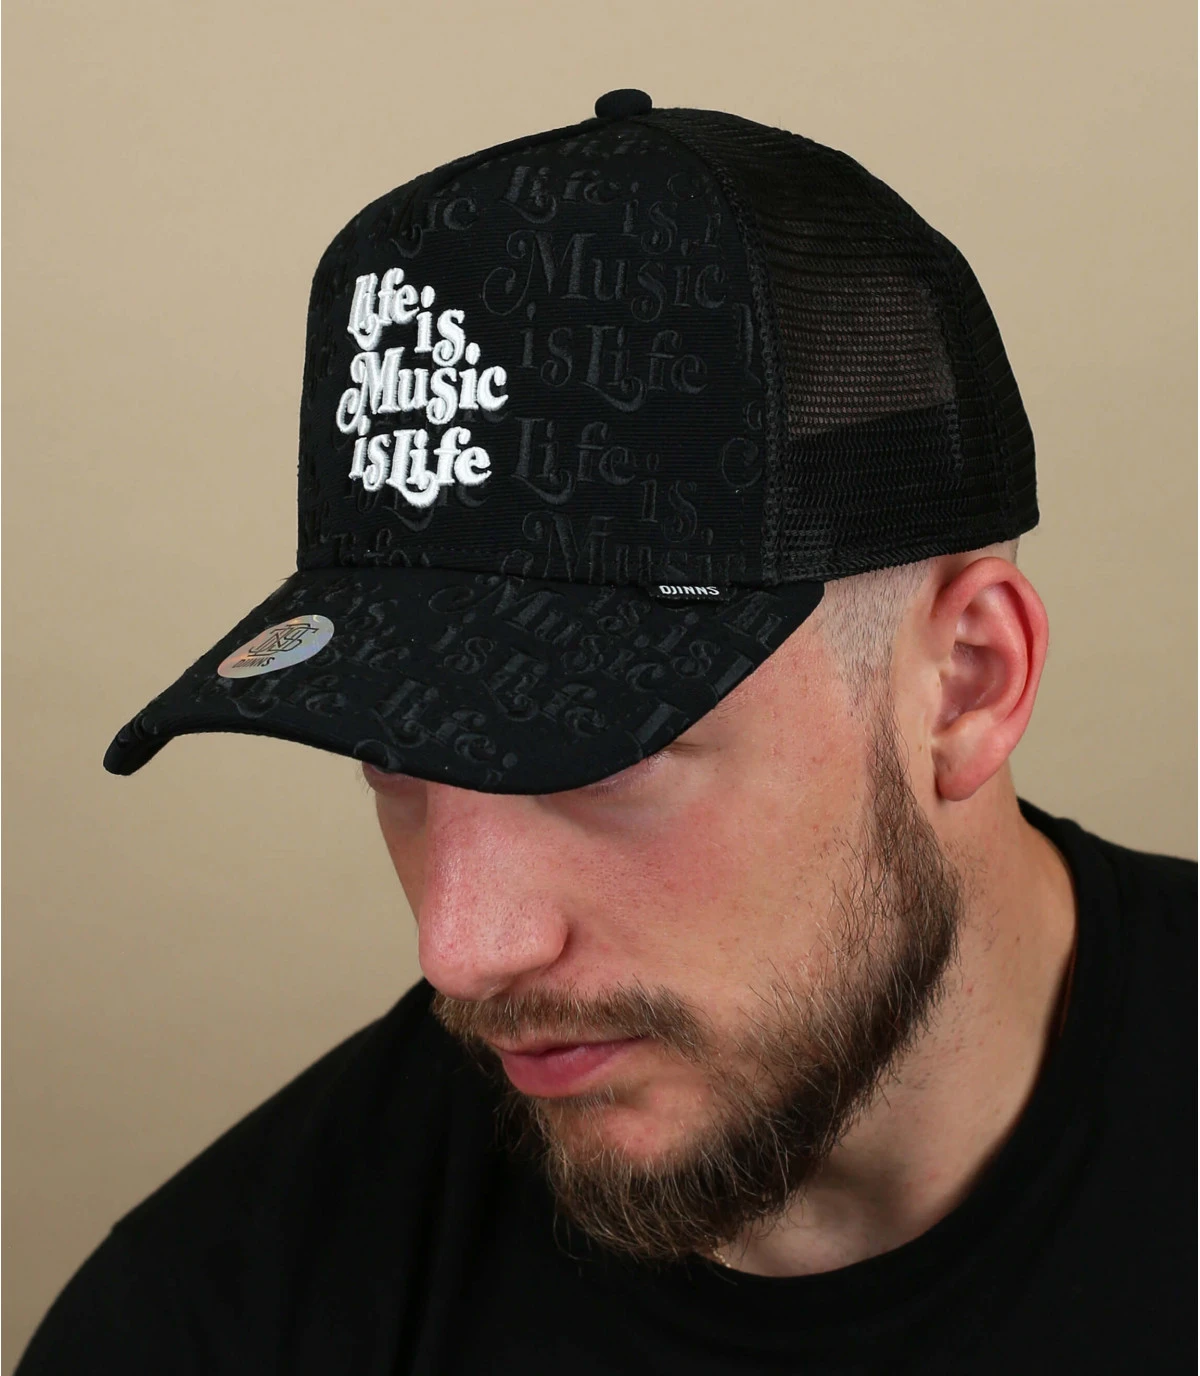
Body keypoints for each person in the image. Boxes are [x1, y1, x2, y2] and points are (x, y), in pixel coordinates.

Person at [17, 89, 1194, 1374]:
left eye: (600, 750)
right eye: (395, 759)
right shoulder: (215, 1321)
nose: (461, 951)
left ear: (965, 684)